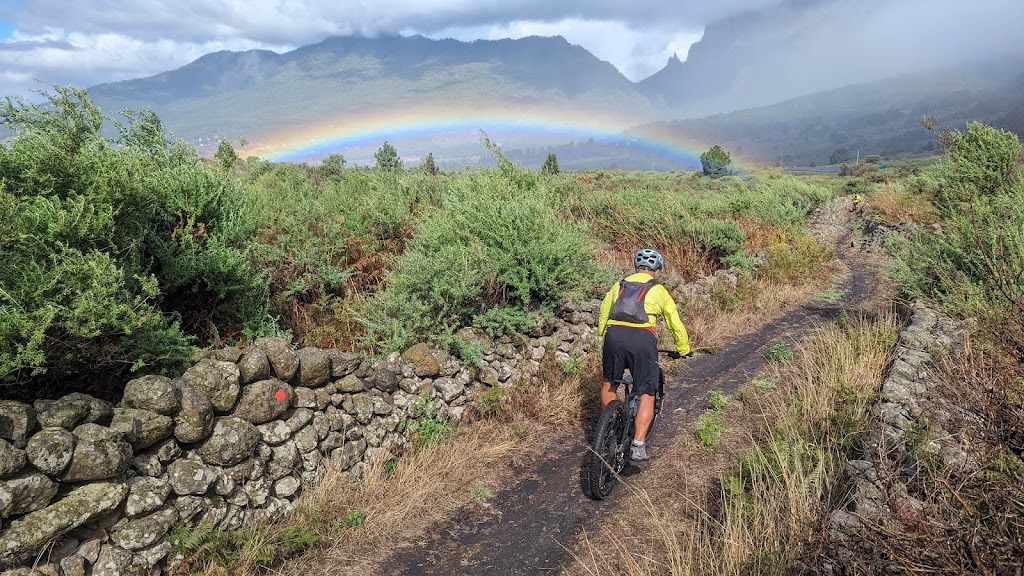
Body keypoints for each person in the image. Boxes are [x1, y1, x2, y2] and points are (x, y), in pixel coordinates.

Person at [597, 248, 690, 462]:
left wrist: (603, 334)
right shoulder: (658, 290)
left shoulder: (619, 285)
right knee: (647, 390)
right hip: (642, 339)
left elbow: (604, 311)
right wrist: (683, 348)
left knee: (610, 382)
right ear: (657, 270)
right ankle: (638, 445)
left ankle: (610, 428)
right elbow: (674, 321)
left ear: (636, 267)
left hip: (614, 336)